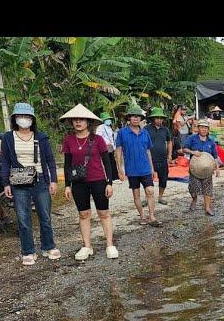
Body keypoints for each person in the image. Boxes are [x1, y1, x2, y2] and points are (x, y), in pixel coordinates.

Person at [0, 102, 60, 265]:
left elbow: (50, 160)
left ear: (32, 119)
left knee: (45, 215)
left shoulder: (41, 137)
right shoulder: (7, 137)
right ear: (15, 118)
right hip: (19, 181)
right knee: (23, 217)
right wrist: (6, 183)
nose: (24, 119)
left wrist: (53, 180)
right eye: (20, 116)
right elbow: (5, 161)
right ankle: (28, 250)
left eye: (27, 117)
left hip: (40, 180)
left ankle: (48, 246)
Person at [60, 104, 118, 261]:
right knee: (83, 214)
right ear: (72, 122)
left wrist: (109, 182)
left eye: (82, 119)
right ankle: (87, 245)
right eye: (75, 119)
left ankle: (110, 244)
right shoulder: (69, 140)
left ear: (88, 122)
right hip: (79, 182)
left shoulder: (97, 139)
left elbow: (107, 162)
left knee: (104, 213)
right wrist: (67, 185)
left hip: (98, 179)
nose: (78, 122)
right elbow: (67, 164)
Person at [115, 105, 162, 227]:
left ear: (141, 118)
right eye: (132, 116)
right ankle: (142, 215)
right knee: (136, 194)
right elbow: (118, 151)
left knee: (150, 191)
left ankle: (152, 216)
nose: (135, 118)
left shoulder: (145, 133)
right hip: (131, 170)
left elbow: (148, 151)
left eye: (138, 116)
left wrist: (152, 169)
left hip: (145, 168)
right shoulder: (122, 133)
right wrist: (120, 169)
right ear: (129, 118)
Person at [181, 119, 220, 216]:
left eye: (206, 128)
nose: (204, 130)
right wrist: (193, 152)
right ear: (198, 128)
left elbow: (215, 156)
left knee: (208, 188)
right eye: (202, 127)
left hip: (207, 169)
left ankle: (207, 208)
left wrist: (217, 168)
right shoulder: (192, 138)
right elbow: (184, 149)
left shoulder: (211, 141)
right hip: (195, 168)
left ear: (208, 129)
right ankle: (194, 199)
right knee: (193, 188)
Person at [144, 107, 172, 206]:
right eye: (157, 118)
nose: (159, 120)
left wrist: (169, 155)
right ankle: (148, 198)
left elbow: (169, 142)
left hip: (163, 158)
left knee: (163, 178)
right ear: (153, 118)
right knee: (147, 179)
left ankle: (160, 197)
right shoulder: (146, 129)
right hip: (149, 158)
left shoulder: (165, 130)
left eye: (161, 118)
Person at [95, 111, 119, 182]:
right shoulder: (100, 127)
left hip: (111, 147)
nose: (109, 120)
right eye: (107, 119)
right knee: (108, 162)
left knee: (112, 161)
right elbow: (98, 137)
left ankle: (115, 177)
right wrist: (104, 144)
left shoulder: (109, 127)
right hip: (105, 147)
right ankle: (111, 177)